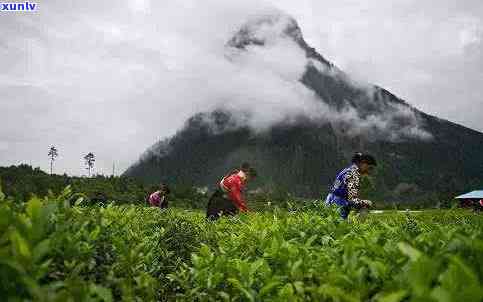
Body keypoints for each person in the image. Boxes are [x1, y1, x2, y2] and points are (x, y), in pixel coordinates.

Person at [325, 152, 377, 219]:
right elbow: (352, 200)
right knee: (365, 207)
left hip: (330, 201)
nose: (370, 171)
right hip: (338, 205)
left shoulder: (347, 170)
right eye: (370, 168)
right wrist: (367, 202)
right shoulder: (353, 175)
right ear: (363, 164)